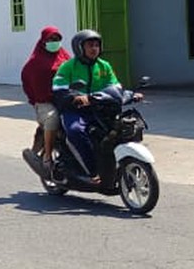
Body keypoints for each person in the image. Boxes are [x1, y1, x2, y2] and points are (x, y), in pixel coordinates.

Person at [50, 28, 132, 184]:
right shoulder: (68, 66)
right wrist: (75, 97)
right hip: (75, 110)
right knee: (76, 131)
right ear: (80, 48)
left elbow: (114, 86)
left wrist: (129, 94)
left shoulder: (104, 66)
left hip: (99, 109)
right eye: (90, 45)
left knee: (118, 129)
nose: (94, 48)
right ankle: (92, 171)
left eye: (96, 45)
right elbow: (59, 89)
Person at [20, 26, 69, 170]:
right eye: (51, 39)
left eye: (57, 39)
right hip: (45, 102)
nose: (55, 42)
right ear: (43, 41)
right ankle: (47, 156)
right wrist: (36, 99)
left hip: (66, 98)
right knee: (53, 118)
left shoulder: (64, 57)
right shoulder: (34, 63)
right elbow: (27, 82)